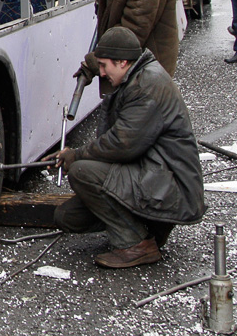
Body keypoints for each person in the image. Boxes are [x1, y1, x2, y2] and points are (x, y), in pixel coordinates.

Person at [50, 27, 205, 269]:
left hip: (173, 186)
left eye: (104, 66)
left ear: (122, 62)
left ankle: (137, 244)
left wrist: (76, 155)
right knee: (68, 217)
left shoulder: (146, 86)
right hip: (158, 176)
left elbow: (122, 144)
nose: (101, 72)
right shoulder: (135, 77)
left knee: (82, 172)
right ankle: (150, 228)